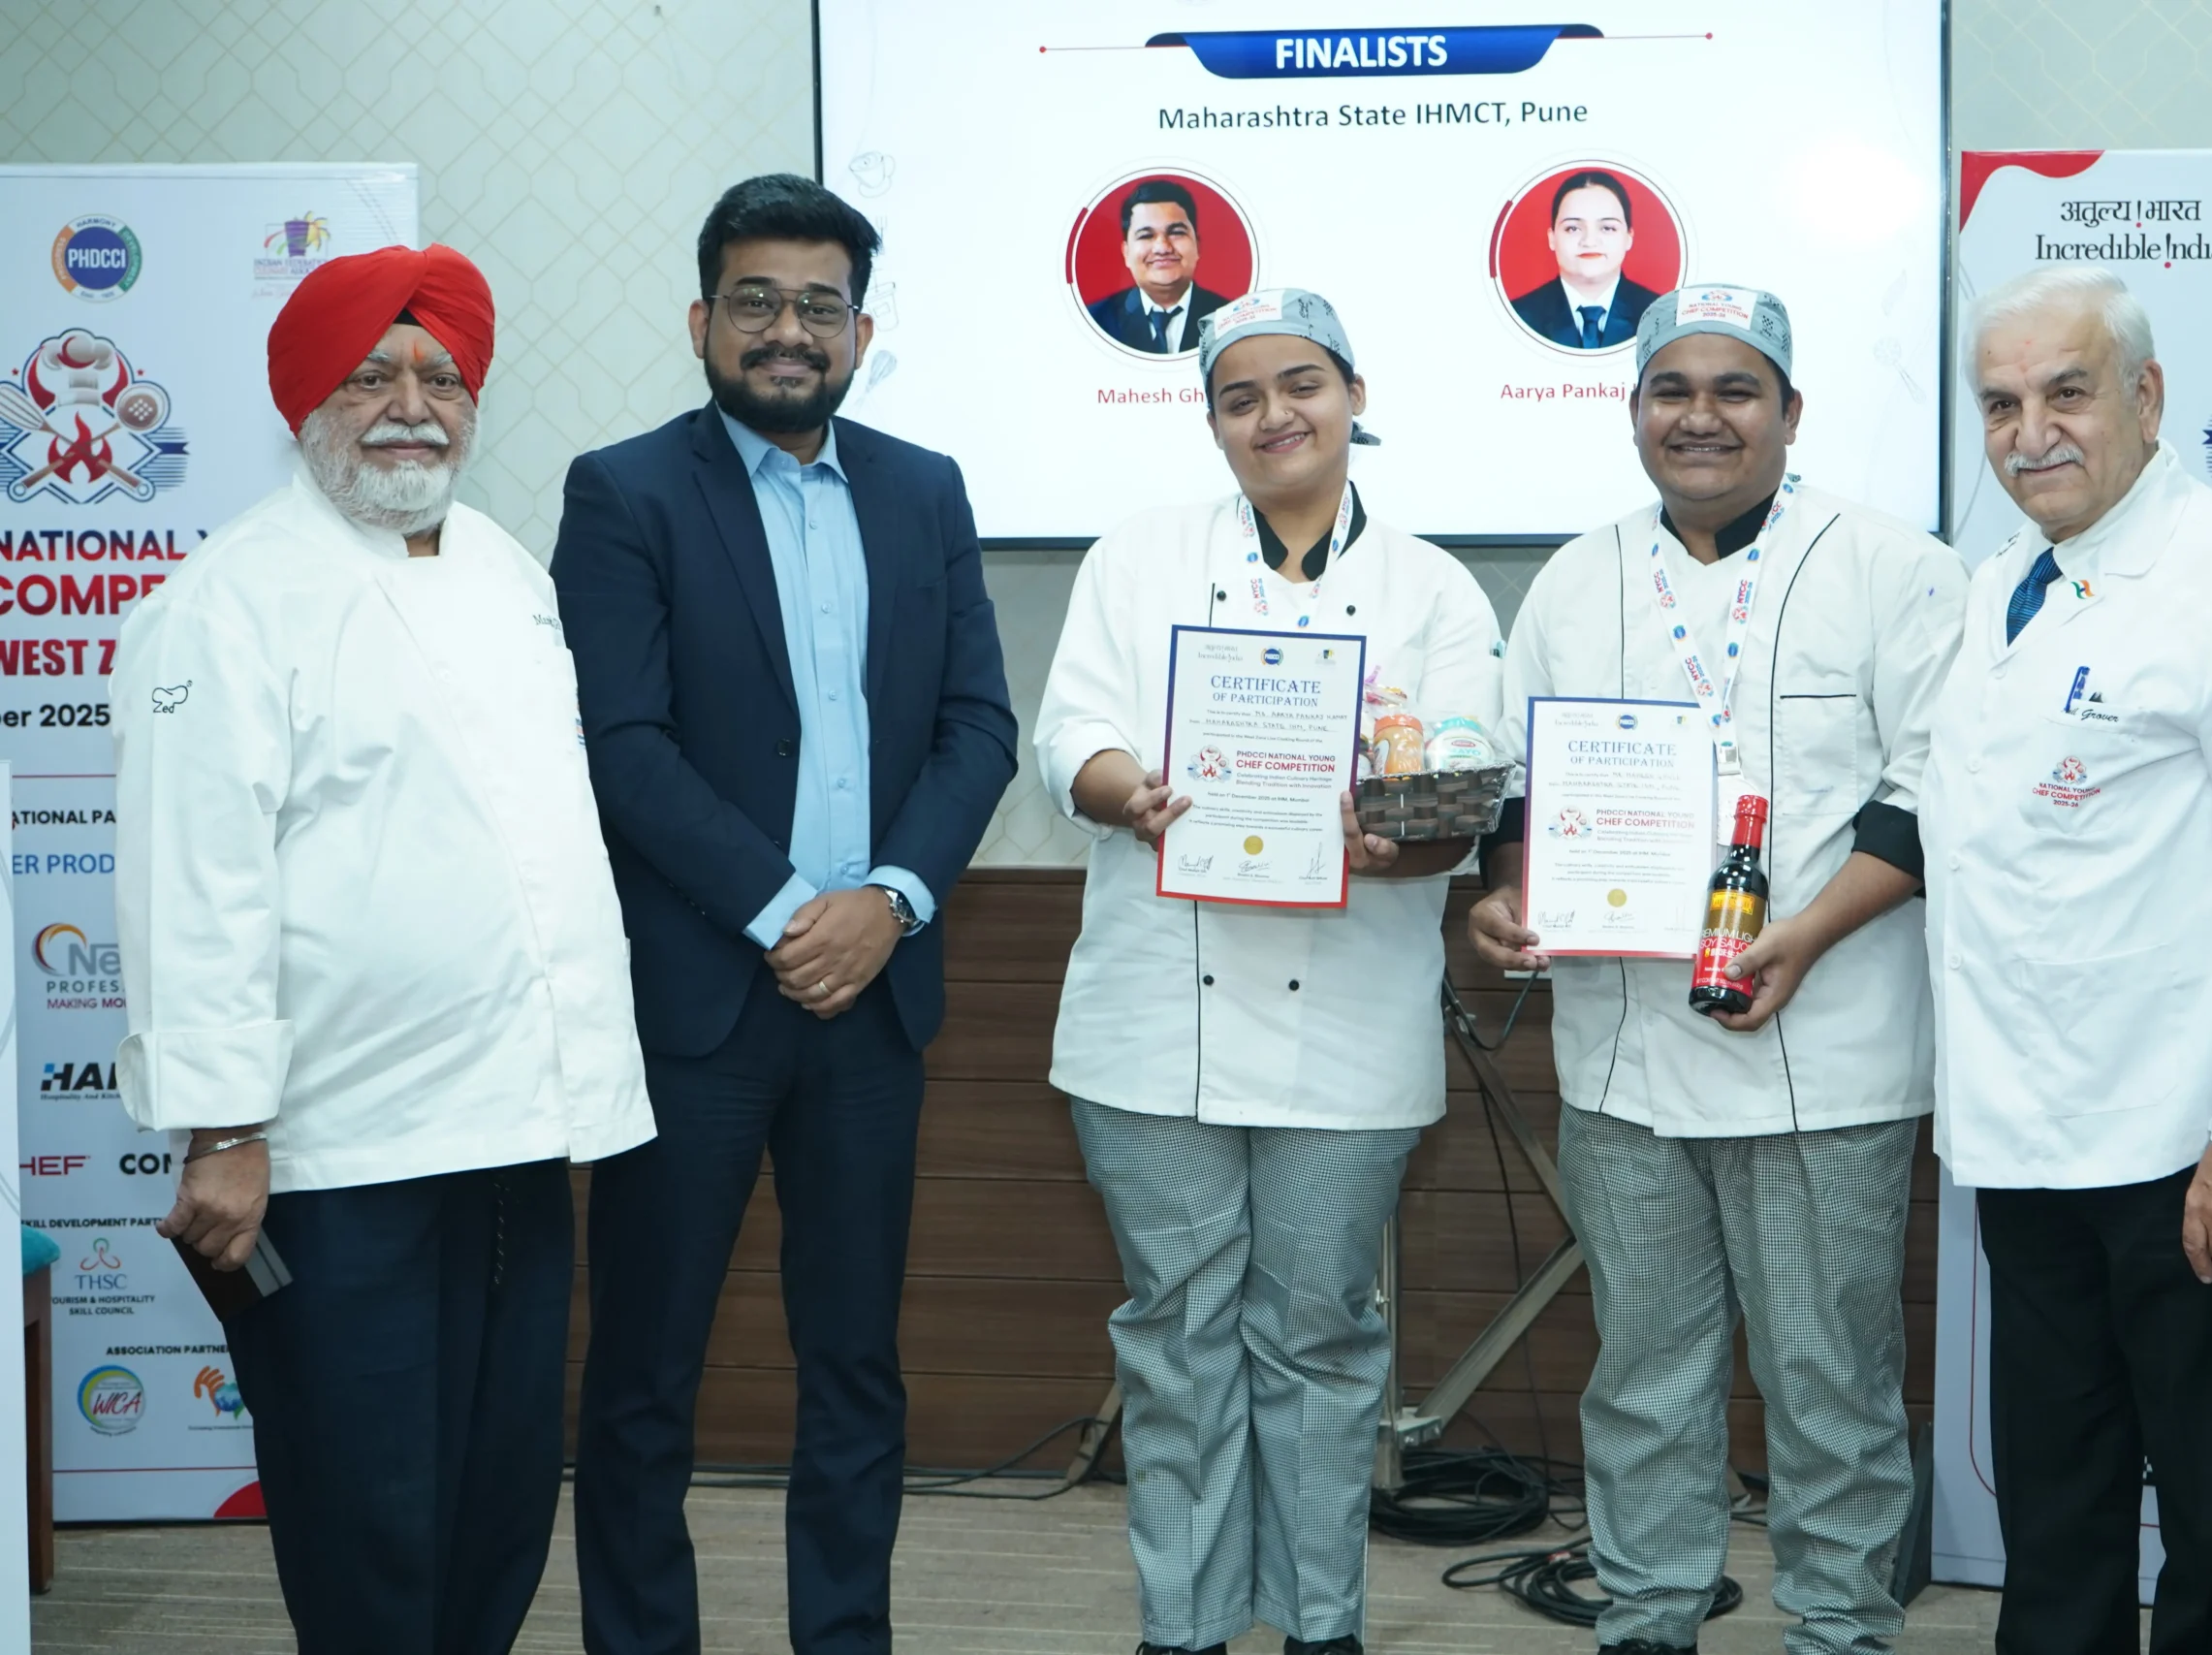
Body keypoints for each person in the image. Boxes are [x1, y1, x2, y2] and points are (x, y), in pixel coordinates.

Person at [111, 243, 655, 1653]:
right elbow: (194, 880)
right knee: (369, 1511)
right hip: (336, 1151)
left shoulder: (507, 570)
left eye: (441, 379)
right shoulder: (228, 598)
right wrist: (227, 1127)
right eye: (371, 377)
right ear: (307, 403)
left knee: (500, 1500)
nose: (412, 407)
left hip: (515, 1134)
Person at [554, 175, 1017, 1653]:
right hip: (696, 1003)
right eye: (755, 300)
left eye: (820, 304)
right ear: (703, 319)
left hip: (872, 1002)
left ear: (862, 331)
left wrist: (887, 900)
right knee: (644, 1373)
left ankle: (845, 1633)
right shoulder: (623, 492)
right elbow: (620, 743)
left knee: (856, 1362)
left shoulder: (924, 489)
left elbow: (977, 727)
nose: (787, 330)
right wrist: (783, 909)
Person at [1469, 286, 1966, 1655]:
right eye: (1671, 390)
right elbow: (1520, 788)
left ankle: (1839, 1628)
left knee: (1829, 1376)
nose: (1701, 416)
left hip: (1828, 1051)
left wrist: (1805, 935)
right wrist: (1506, 897)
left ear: (1790, 412)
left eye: (1735, 389)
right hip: (1625, 1054)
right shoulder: (1577, 578)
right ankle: (1647, 1615)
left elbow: (1931, 788)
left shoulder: (1892, 565)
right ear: (1633, 410)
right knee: (1644, 1369)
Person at [1035, 289, 1502, 1655]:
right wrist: (1131, 793)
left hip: (1346, 1027)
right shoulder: (1138, 557)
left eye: (1301, 384)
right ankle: (1181, 1626)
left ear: (1354, 395)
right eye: (1239, 396)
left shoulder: (1433, 587)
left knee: (1320, 1332)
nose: (1273, 415)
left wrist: (1395, 831)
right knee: (1176, 1332)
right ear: (1211, 421)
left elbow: (1462, 796)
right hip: (1152, 1021)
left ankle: (1319, 1624)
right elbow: (1069, 735)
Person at [1924, 265, 2212, 1654]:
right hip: (2025, 1138)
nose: (2030, 432)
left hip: (2189, 1147)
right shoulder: (2001, 586)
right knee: (2055, 1494)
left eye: (2066, 392)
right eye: (2001, 404)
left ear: (2147, 396)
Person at [1510, 171, 1663, 350]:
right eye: (1573, 228)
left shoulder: (1660, 316)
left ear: (1629, 237)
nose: (1589, 242)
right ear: (1552, 238)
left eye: (1607, 228)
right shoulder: (1517, 316)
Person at [1087, 178, 1235, 354]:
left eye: (1176, 233)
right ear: (1126, 253)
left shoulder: (1231, 319)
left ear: (1198, 246)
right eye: (1146, 236)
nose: (1163, 248)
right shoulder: (1095, 321)